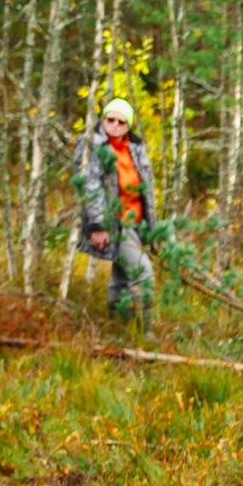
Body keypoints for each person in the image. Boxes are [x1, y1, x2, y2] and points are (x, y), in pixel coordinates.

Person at [76, 99, 157, 321]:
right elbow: (90, 188)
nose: (115, 125)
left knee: (121, 276)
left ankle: (115, 325)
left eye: (121, 122)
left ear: (128, 126)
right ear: (103, 119)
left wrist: (151, 227)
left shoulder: (136, 147)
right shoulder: (92, 145)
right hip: (113, 222)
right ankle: (144, 329)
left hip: (136, 221)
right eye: (110, 119)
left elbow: (147, 188)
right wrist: (98, 226)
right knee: (143, 272)